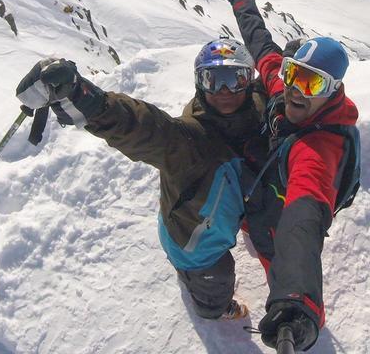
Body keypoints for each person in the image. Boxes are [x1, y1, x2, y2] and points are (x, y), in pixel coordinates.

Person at [14, 38, 268, 321]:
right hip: (195, 246)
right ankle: (213, 307)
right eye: (213, 79)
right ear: (200, 84)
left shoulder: (256, 107)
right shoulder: (188, 142)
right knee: (217, 281)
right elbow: (141, 127)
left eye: (235, 78)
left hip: (206, 214)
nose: (224, 91)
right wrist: (83, 97)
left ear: (249, 81)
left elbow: (271, 81)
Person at [224, 0, 360, 352]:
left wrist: (297, 300)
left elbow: (303, 214)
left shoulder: (320, 147)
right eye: (292, 75)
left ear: (332, 90)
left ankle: (294, 301)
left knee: (275, 252)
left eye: (311, 83)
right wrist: (243, 4)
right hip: (266, 186)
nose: (295, 90)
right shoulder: (283, 88)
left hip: (280, 213)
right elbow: (262, 46)